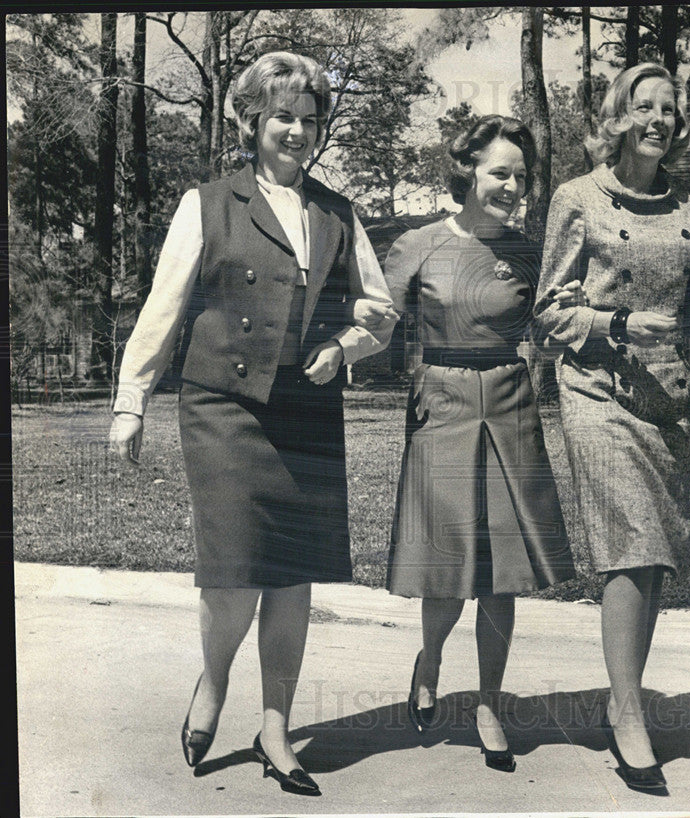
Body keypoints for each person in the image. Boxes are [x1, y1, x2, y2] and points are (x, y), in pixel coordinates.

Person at [108, 51, 397, 796]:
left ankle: (277, 728)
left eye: (309, 121)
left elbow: (382, 313)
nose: (297, 133)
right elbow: (163, 306)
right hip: (222, 407)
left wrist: (345, 344)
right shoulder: (206, 202)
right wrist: (131, 397)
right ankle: (213, 683)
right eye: (281, 119)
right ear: (250, 122)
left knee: (293, 577)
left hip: (305, 410)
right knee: (232, 574)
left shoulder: (339, 213)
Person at [533, 63, 690, 794]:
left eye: (668, 110)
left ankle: (627, 697)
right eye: (643, 106)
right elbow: (549, 310)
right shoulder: (576, 197)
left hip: (666, 396)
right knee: (629, 544)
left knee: (654, 560)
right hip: (595, 389)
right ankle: (627, 714)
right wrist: (616, 321)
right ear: (619, 116)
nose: (657, 119)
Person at [383, 115, 576, 773]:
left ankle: (489, 702)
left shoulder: (527, 251)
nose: (512, 186)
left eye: (520, 176)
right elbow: (374, 321)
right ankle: (431, 657)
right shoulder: (417, 245)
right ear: (466, 170)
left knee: (504, 572)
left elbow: (555, 318)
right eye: (500, 172)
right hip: (442, 404)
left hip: (511, 403)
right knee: (449, 566)